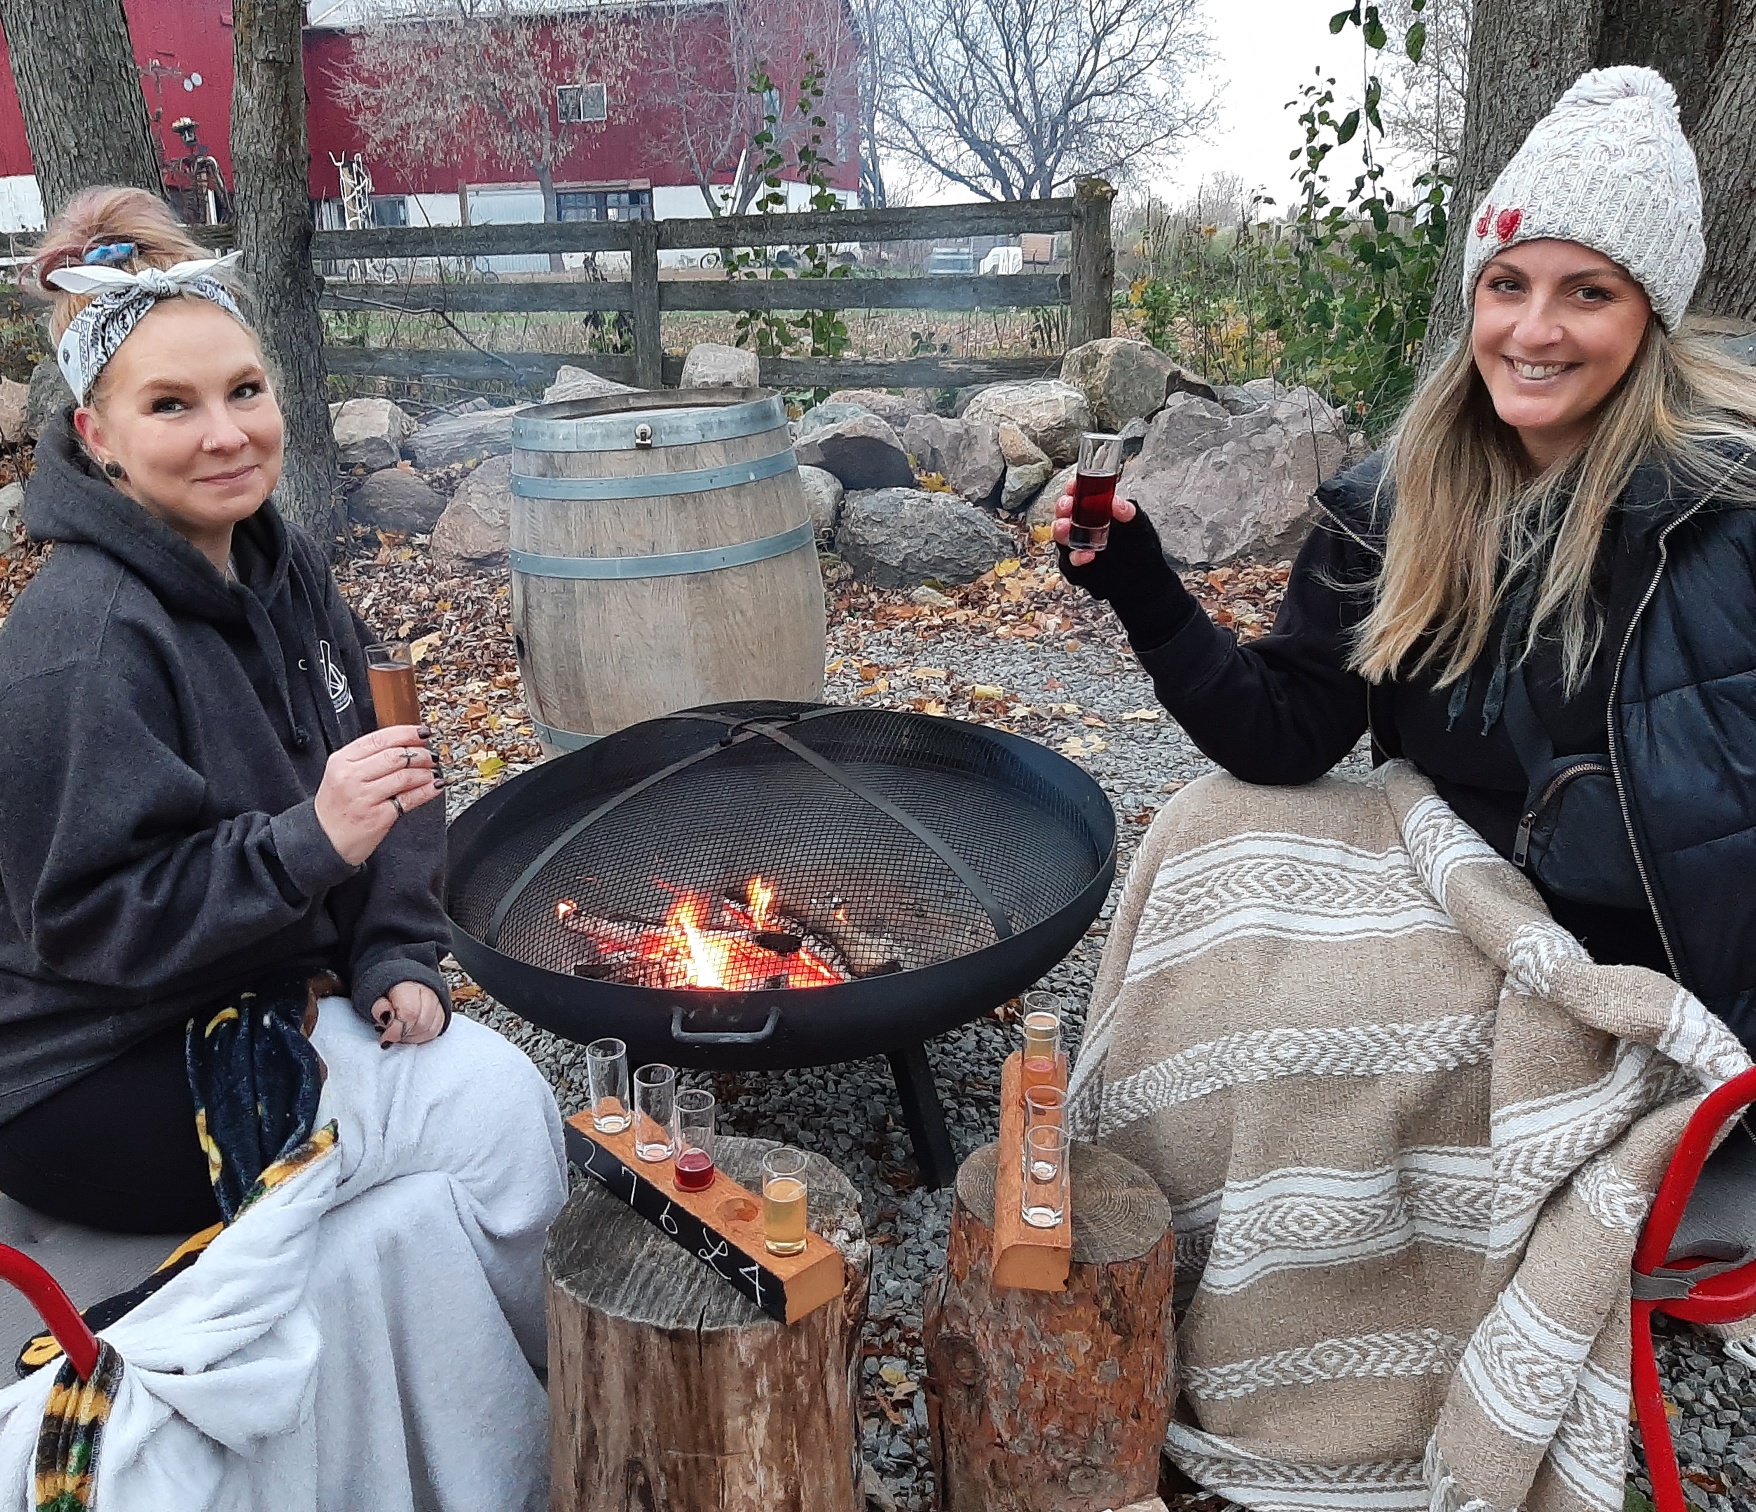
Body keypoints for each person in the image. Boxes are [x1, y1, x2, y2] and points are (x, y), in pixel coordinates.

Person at [1055, 66, 1756, 1050]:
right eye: (1506, 284)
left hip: (1639, 974)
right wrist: (1139, 583)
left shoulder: (1721, 520)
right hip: (1451, 900)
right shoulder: (1392, 504)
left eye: (1587, 292)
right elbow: (1284, 734)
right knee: (1201, 833)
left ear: (1652, 316)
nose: (1533, 330)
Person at [0, 185, 565, 1277]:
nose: (226, 435)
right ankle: (532, 1398)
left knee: (488, 1094)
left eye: (244, 390)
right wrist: (307, 844)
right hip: (87, 1071)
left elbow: (386, 768)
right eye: (171, 406)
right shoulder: (82, 641)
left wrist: (394, 946)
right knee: (492, 1114)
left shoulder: (282, 562)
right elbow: (89, 923)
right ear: (95, 436)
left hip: (251, 984)